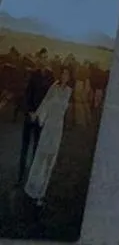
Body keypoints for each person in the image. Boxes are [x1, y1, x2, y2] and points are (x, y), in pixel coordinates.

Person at [24, 68, 72, 204]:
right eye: (63, 73)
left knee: (50, 160)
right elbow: (45, 103)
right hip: (48, 126)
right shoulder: (54, 88)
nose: (64, 76)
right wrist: (37, 115)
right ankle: (32, 187)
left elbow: (64, 110)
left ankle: (41, 193)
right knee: (41, 156)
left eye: (67, 74)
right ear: (60, 75)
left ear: (69, 78)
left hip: (58, 127)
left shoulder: (69, 91)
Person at [18, 51, 53, 184]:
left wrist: (43, 114)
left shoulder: (50, 76)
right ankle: (20, 176)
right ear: (38, 59)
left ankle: (32, 177)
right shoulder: (33, 74)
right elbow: (26, 95)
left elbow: (50, 97)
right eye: (41, 58)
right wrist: (30, 112)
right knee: (25, 147)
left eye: (46, 58)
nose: (44, 60)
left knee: (37, 148)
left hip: (41, 117)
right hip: (30, 116)